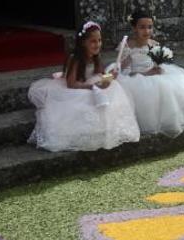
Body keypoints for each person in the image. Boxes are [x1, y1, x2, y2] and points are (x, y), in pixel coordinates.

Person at [28, 21, 140, 152]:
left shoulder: (96, 57)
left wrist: (110, 76)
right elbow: (71, 84)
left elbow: (101, 75)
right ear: (83, 42)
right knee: (86, 99)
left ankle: (105, 129)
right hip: (76, 87)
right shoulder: (75, 58)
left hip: (90, 84)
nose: (97, 44)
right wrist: (91, 87)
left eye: (99, 40)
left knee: (114, 88)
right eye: (93, 41)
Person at [116, 10, 184, 137]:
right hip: (137, 78)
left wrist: (158, 68)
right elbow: (124, 72)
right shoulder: (128, 46)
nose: (146, 31)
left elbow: (156, 62)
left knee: (169, 86)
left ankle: (169, 117)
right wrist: (146, 74)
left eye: (149, 27)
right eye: (142, 27)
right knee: (149, 91)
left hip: (154, 74)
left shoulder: (154, 44)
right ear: (134, 28)